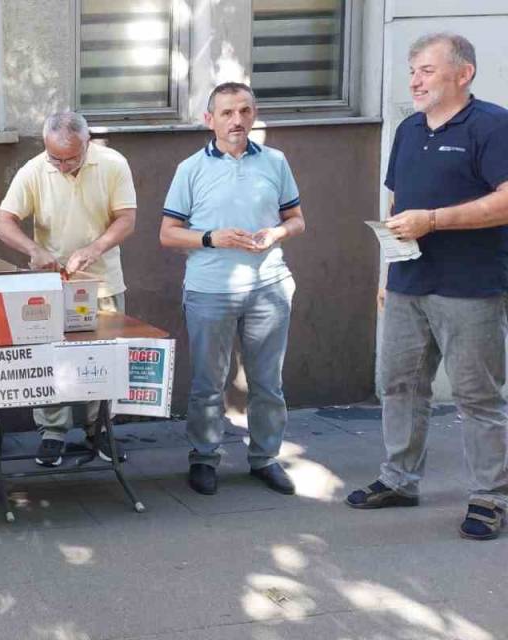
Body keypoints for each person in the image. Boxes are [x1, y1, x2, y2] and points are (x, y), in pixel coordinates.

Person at [345, 33, 508, 541]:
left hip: (471, 287)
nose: (415, 80)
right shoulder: (409, 129)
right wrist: (385, 275)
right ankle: (399, 479)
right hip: (407, 284)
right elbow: (396, 208)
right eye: (413, 70)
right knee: (399, 386)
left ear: (464, 74)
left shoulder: (493, 126)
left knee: (477, 396)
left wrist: (434, 220)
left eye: (427, 70)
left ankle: (490, 496)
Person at [159, 82, 306, 497]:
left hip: (269, 287)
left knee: (267, 382)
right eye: (226, 113)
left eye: (244, 111)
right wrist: (211, 238)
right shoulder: (191, 168)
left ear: (253, 115)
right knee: (208, 382)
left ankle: (265, 459)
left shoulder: (275, 161)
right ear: (210, 120)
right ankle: (204, 458)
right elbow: (168, 234)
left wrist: (277, 232)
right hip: (210, 290)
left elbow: (297, 220)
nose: (236, 120)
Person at [0, 111, 137, 467]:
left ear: (87, 143)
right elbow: (3, 223)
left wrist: (94, 248)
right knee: (49, 356)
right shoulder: (35, 169)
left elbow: (126, 219)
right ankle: (52, 432)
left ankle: (99, 427)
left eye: (70, 157)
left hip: (102, 281)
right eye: (53, 157)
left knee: (102, 357)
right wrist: (33, 250)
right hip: (52, 283)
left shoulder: (113, 164)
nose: (60, 165)